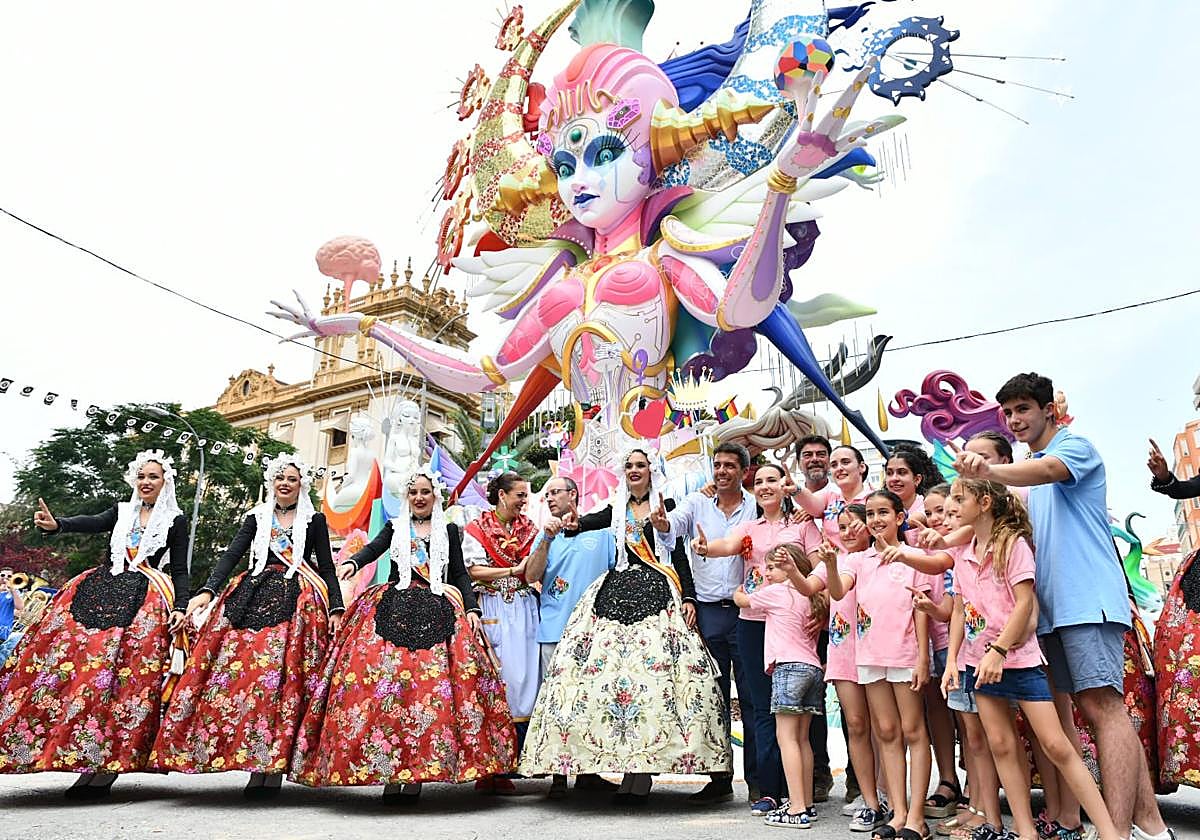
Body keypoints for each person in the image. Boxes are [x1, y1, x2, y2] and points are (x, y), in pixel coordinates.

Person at [954, 372, 1172, 840]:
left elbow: (1049, 471)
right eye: (1008, 412)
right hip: (1050, 611)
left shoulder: (1074, 449)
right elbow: (990, 513)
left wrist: (988, 470)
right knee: (1085, 713)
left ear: (1049, 410)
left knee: (1103, 708)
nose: (1014, 419)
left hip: (1088, 601)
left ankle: (1115, 831)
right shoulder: (1026, 472)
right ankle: (1150, 825)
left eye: (1023, 409)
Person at [892, 478, 1121, 840]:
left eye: (958, 501)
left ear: (984, 503)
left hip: (1019, 661)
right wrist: (952, 662)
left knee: (1056, 744)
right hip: (976, 663)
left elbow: (1025, 603)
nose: (950, 510)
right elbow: (960, 610)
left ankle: (1108, 831)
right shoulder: (963, 552)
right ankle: (1025, 831)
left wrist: (999, 651)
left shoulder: (1013, 545)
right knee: (1000, 744)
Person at [290, 467, 516, 804]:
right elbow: (373, 549)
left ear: (435, 496)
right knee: (388, 691)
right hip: (393, 610)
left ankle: (416, 778)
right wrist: (353, 563)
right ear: (407, 497)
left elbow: (458, 573)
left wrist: (471, 608)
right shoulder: (395, 526)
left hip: (439, 611)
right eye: (414, 493)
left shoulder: (448, 530)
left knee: (429, 692)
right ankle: (391, 773)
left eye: (425, 492)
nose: (419, 498)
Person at [521, 449, 729, 805]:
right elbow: (584, 522)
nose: (634, 470)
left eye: (640, 465)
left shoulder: (667, 505)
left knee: (663, 684)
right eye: (629, 465)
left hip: (661, 596)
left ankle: (659, 775)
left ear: (651, 471)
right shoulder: (614, 509)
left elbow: (679, 553)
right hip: (616, 596)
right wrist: (571, 522)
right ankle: (623, 770)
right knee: (619, 685)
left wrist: (689, 597)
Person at [153, 454, 344, 798]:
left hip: (300, 604)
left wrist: (336, 606)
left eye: (292, 479)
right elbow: (231, 555)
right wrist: (208, 591)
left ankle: (275, 766)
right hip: (252, 595)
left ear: (301, 485)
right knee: (247, 677)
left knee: (287, 681)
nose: (285, 484)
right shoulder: (256, 517)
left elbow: (327, 566)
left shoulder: (314, 519)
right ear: (272, 482)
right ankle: (253, 762)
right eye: (280, 478)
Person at [4, 450, 189, 799]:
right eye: (141, 476)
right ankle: (76, 753)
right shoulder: (121, 511)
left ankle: (106, 766)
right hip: (100, 591)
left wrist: (181, 607)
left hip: (146, 599)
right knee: (77, 669)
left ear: (166, 482)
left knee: (127, 680)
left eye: (153, 476)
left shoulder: (175, 520)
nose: (146, 481)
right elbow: (90, 521)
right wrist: (58, 524)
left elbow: (180, 568)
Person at [690, 462, 806, 816]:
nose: (766, 486)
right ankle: (768, 790)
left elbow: (816, 567)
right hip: (753, 622)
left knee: (795, 709)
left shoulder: (802, 525)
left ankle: (800, 789)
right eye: (759, 482)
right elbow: (727, 545)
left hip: (793, 622)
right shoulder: (748, 527)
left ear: (785, 485)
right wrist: (705, 549)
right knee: (760, 705)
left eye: (772, 480)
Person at [650, 441, 761, 805]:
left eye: (730, 465)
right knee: (713, 698)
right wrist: (662, 522)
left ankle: (760, 781)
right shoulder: (697, 502)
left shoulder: (756, 506)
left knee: (752, 698)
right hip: (709, 613)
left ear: (743, 471)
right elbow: (672, 527)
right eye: (718, 464)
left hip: (749, 613)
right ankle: (720, 779)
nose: (722, 471)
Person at [824, 490, 932, 840]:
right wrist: (830, 564)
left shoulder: (915, 557)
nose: (875, 519)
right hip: (869, 657)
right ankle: (898, 813)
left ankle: (917, 817)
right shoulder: (858, 560)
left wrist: (922, 657)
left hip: (904, 654)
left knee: (913, 731)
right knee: (886, 731)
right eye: (870, 513)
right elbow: (838, 591)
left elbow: (921, 609)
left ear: (900, 517)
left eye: (883, 512)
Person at [523, 475, 619, 799]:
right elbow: (531, 575)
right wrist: (547, 539)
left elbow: (616, 572)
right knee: (557, 703)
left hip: (595, 632)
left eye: (555, 492)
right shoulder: (546, 535)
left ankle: (589, 772)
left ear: (573, 495)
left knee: (592, 700)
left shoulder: (602, 534)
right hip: (554, 631)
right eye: (546, 494)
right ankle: (558, 776)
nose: (550, 498)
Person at [734, 544, 826, 828]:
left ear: (790, 568)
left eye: (772, 567)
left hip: (787, 668)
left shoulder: (776, 592)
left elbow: (743, 601)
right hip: (812, 668)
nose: (767, 572)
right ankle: (806, 803)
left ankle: (796, 809)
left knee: (786, 738)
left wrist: (739, 589)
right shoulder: (811, 596)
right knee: (802, 739)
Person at [462, 471, 540, 794]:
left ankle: (522, 759)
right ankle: (492, 767)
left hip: (523, 607)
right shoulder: (477, 528)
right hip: (493, 605)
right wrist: (511, 570)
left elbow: (536, 568)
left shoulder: (530, 529)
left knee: (526, 681)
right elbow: (472, 570)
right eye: (519, 495)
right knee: (496, 682)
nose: (524, 501)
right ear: (502, 495)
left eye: (526, 496)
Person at [790, 434, 837, 804]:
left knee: (855, 702)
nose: (815, 460)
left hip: (841, 606)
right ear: (799, 462)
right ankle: (817, 772)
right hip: (803, 613)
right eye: (808, 455)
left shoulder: (842, 496)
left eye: (822, 454)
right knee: (811, 697)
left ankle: (861, 781)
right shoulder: (790, 502)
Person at [0, 568, 25, 643]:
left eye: (9, 576)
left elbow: (20, 607)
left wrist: (12, 590)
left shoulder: (15, 592)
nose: (5, 578)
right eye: (3, 575)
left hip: (2, 631)